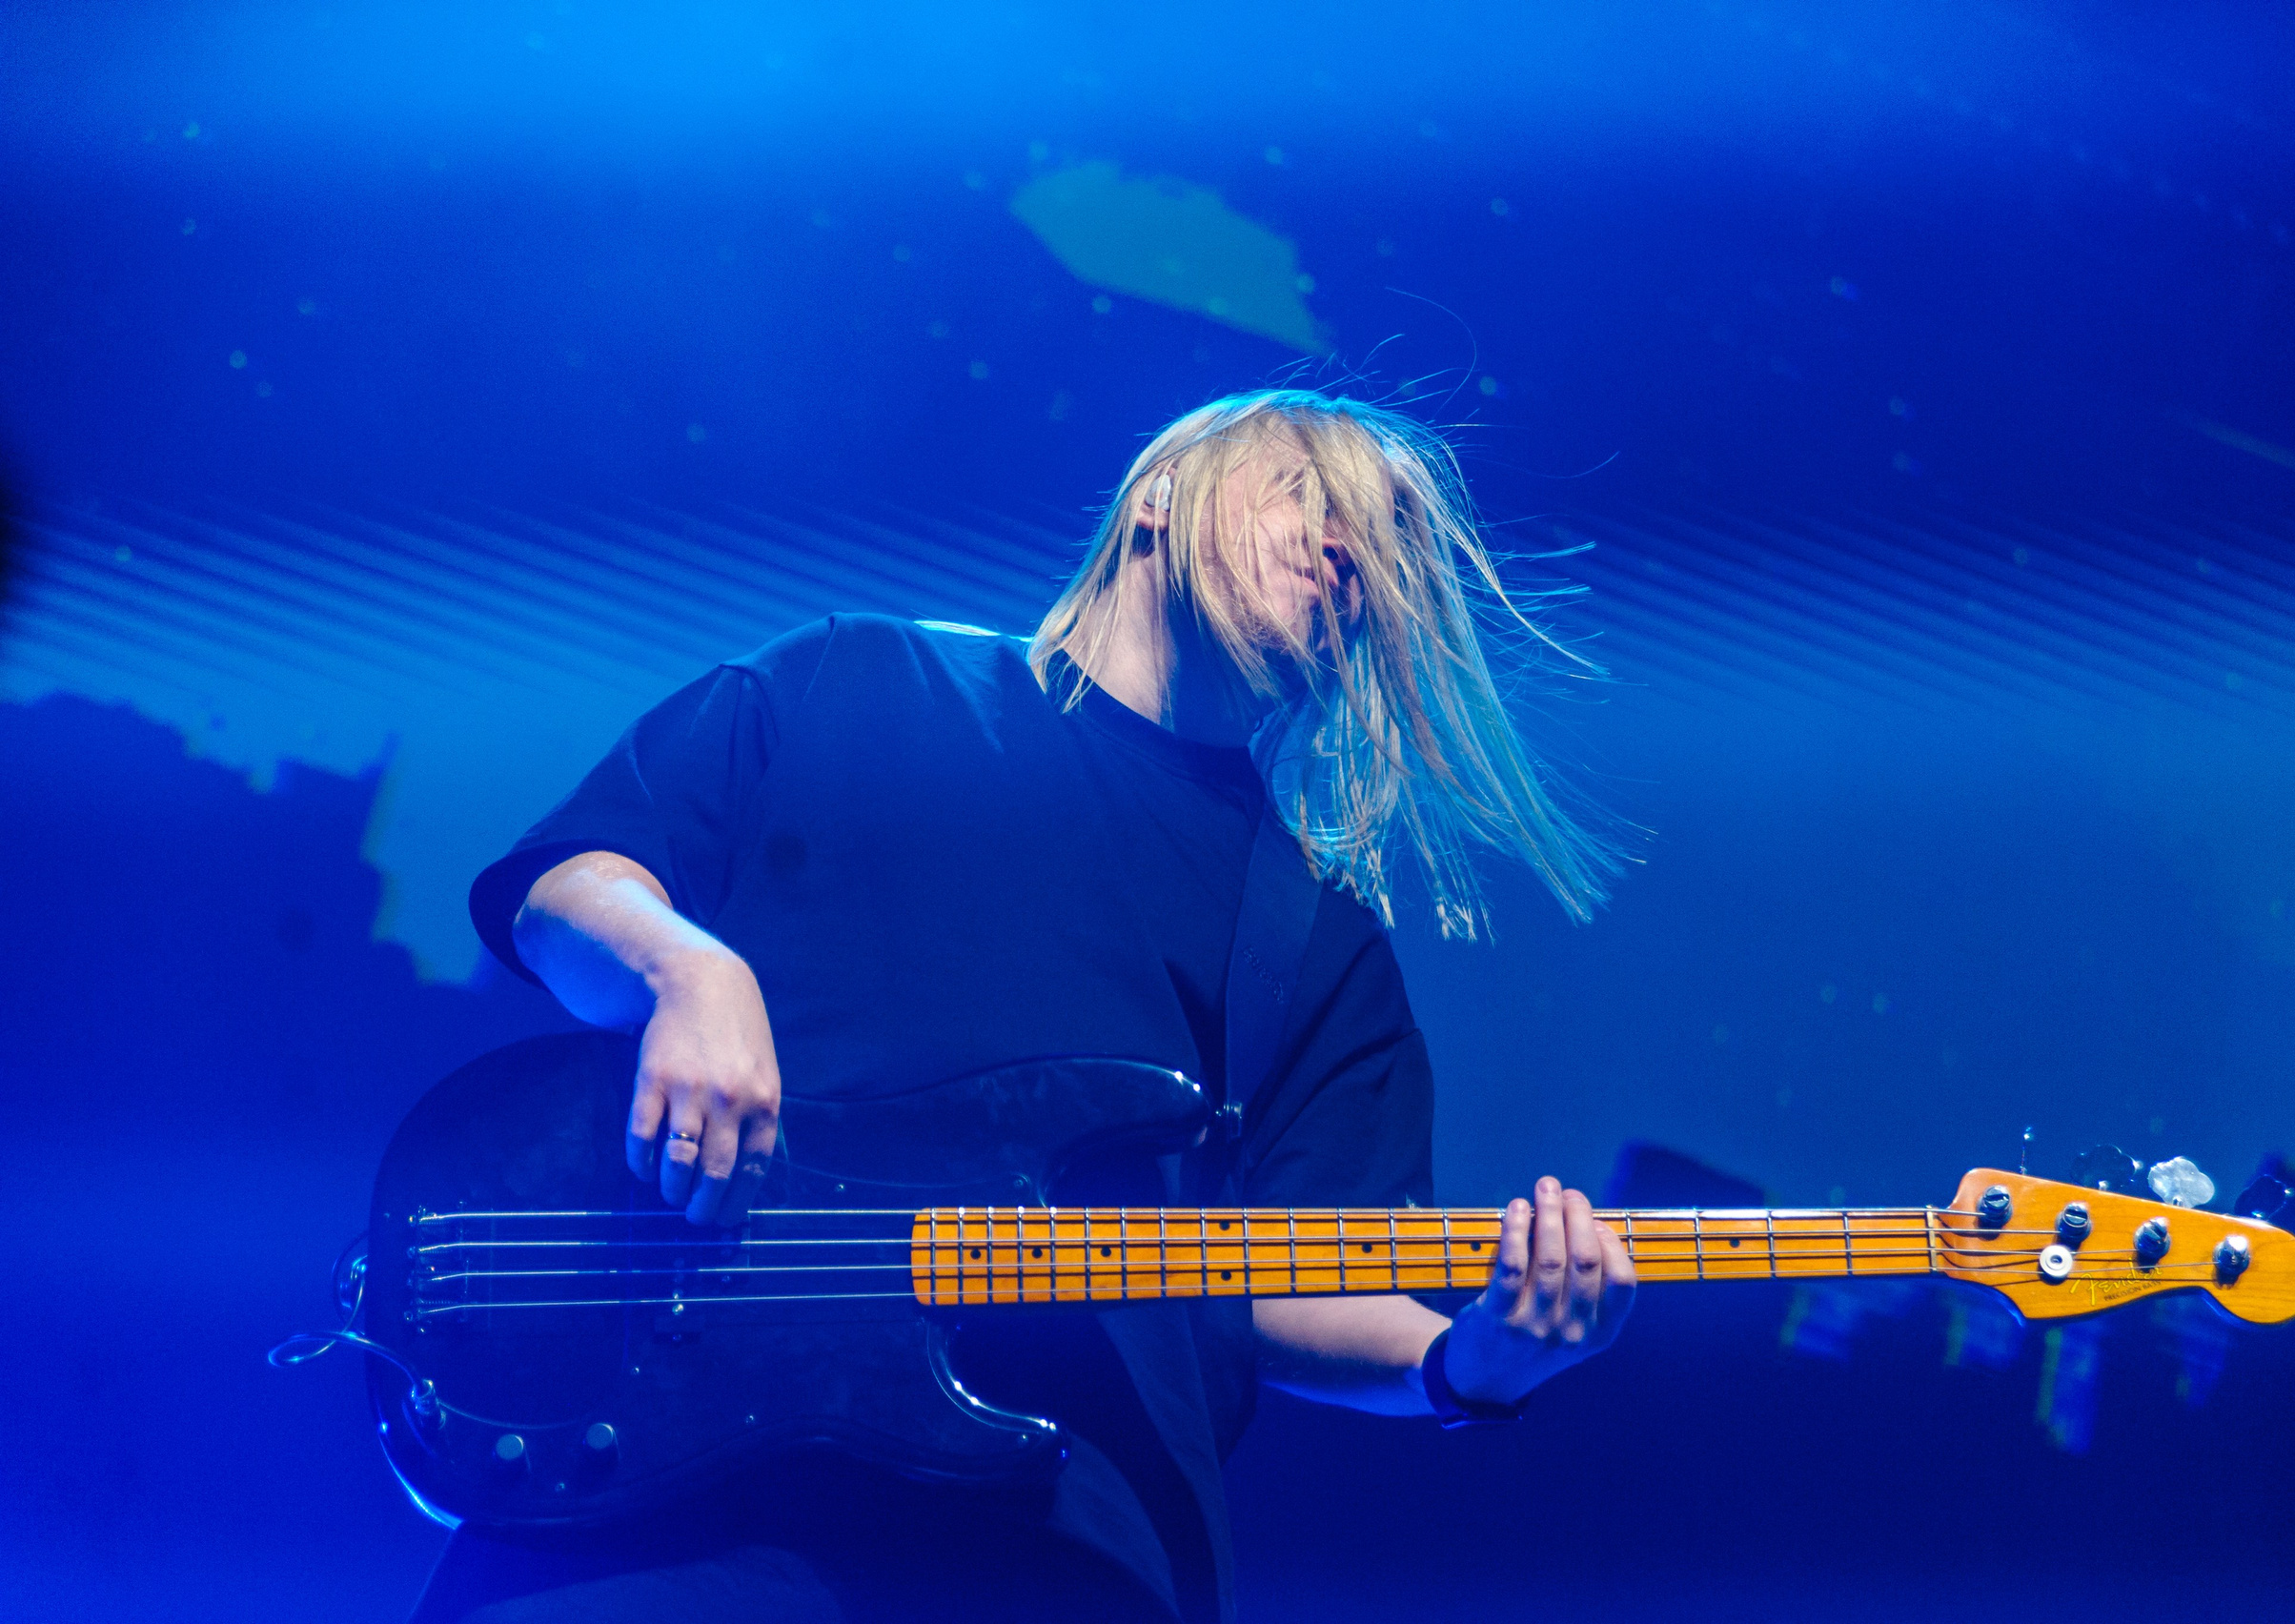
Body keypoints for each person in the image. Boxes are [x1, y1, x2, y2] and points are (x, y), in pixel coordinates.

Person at [410, 391, 1634, 1624]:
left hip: (1059, 1550)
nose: (1345, 557)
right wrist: (689, 971)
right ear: (1158, 499)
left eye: (1375, 555)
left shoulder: (1317, 937)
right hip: (657, 1511)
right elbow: (562, 895)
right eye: (1311, 502)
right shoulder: (861, 678)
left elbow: (1289, 1273)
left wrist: (1470, 1364)